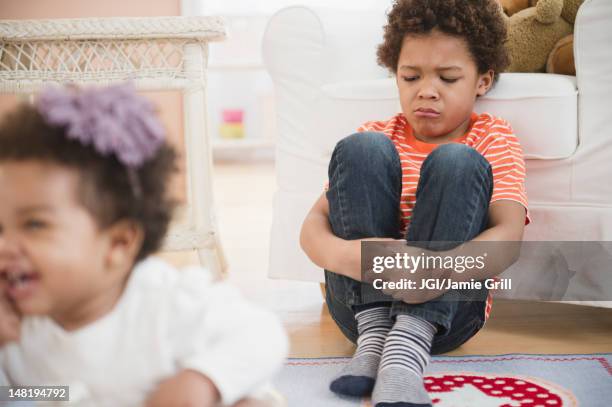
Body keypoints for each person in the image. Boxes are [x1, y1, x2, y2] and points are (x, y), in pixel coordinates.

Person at [300, 0, 530, 406]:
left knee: (456, 161)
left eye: (448, 77)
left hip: (447, 317)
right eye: (410, 76)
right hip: (359, 310)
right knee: (361, 147)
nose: (427, 90)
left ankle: (406, 350)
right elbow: (311, 231)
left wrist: (435, 271)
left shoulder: (492, 138)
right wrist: (356, 257)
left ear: (483, 80)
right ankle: (373, 341)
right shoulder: (377, 134)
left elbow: (508, 239)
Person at [0, 83, 288, 407]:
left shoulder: (166, 301)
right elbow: (31, 394)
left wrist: (200, 380)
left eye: (34, 225)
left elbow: (262, 334)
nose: (5, 247)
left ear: (119, 243)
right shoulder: (17, 326)